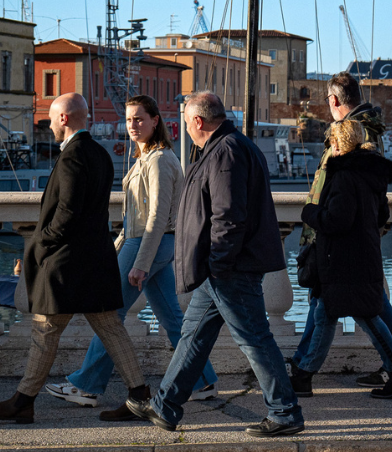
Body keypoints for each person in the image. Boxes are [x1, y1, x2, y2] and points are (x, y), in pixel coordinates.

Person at [127, 92, 304, 438]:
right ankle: (166, 405)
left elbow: (228, 217)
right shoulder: (231, 146)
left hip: (229, 267)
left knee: (254, 338)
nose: (186, 132)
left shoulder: (225, 152)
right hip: (222, 268)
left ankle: (285, 412)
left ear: (197, 121)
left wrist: (219, 264)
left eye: (187, 124)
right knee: (193, 336)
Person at [0, 93, 150, 424]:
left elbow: (67, 211)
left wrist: (41, 243)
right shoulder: (99, 154)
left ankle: (23, 401)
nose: (50, 125)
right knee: (111, 328)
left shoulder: (72, 157)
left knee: (46, 330)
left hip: (68, 264)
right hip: (95, 261)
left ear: (65, 119)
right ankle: (139, 396)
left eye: (52, 118)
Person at [48, 95, 219, 420]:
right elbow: (137, 216)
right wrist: (117, 248)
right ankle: (204, 379)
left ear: (156, 120)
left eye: (139, 119)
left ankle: (87, 385)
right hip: (150, 244)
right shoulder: (148, 158)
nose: (133, 125)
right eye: (128, 120)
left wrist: (140, 262)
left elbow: (155, 218)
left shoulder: (158, 161)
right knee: (172, 318)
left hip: (149, 245)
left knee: (110, 314)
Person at [290, 71, 392, 392]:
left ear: (334, 100)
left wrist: (318, 214)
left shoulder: (355, 130)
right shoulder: (367, 126)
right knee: (325, 299)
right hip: (351, 230)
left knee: (369, 302)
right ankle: (303, 363)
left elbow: (363, 183)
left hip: (348, 233)